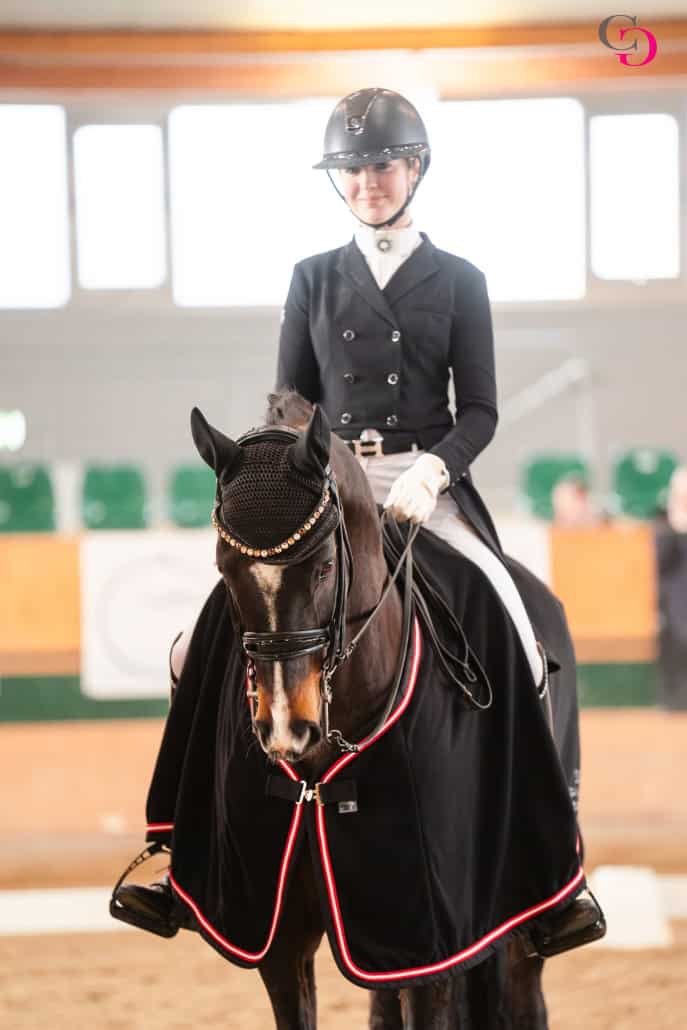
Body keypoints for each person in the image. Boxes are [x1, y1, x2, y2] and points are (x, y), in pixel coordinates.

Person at [114, 87, 603, 954]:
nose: (367, 181)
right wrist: (305, 470)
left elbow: (480, 409)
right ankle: (174, 851)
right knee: (200, 645)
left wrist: (434, 470)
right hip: (327, 481)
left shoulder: (459, 280)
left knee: (527, 627)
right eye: (351, 170)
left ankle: (552, 856)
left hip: (424, 480)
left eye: (380, 164)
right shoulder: (311, 277)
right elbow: (288, 399)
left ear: (414, 168)